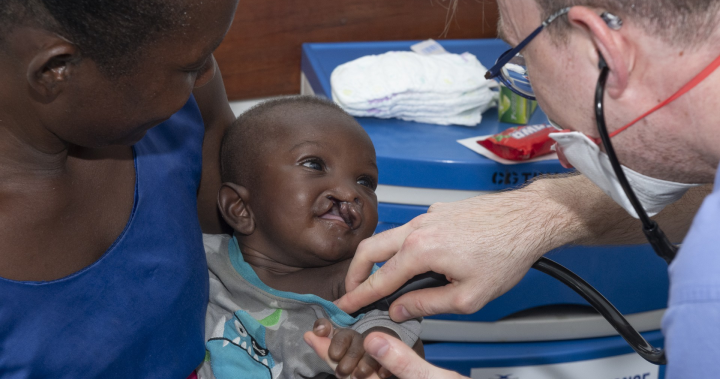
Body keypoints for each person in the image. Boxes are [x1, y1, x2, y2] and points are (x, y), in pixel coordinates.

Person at [305, 0, 720, 377]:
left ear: (602, 49)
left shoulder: (708, 280)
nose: (559, 152)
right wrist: (544, 212)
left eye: (522, 59)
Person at [0, 0, 240, 377]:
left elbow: (255, 242)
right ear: (54, 70)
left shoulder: (186, 106)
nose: (208, 74)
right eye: (191, 66)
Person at [198, 97, 423, 379]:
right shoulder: (202, 261)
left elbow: (407, 343)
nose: (349, 192)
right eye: (314, 165)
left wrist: (374, 351)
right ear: (240, 208)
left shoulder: (362, 285)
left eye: (365, 182)